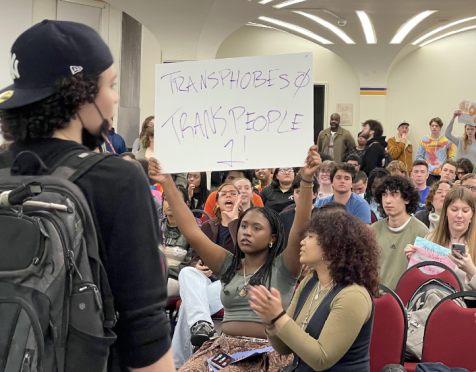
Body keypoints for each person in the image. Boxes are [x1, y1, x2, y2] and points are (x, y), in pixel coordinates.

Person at [0, 20, 174, 371]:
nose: (116, 97)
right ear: (81, 97)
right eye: (109, 84)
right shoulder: (117, 179)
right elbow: (144, 330)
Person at [150, 146, 320, 372]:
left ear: (272, 237)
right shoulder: (229, 264)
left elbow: (300, 228)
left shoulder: (284, 266)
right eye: (244, 227)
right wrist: (167, 183)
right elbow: (192, 230)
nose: (246, 232)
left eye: (256, 228)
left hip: (265, 353)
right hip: (222, 349)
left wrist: (307, 179)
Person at [250, 209, 380, 372]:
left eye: (310, 237)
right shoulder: (309, 283)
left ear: (333, 245)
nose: (303, 242)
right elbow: (284, 348)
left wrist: (279, 316)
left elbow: (321, 359)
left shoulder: (353, 295)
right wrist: (270, 321)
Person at [174, 183, 241, 366]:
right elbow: (195, 257)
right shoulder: (207, 227)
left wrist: (235, 221)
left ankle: (178, 363)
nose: (228, 196)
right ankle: (203, 324)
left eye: (233, 194)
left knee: (187, 306)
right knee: (188, 272)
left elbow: (246, 257)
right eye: (223, 194)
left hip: (234, 283)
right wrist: (198, 265)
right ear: (217, 202)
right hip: (206, 282)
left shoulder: (246, 225)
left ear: (239, 200)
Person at [407, 187, 476, 291]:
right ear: (446, 211)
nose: (459, 215)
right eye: (454, 210)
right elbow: (419, 282)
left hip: (468, 303)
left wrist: (471, 270)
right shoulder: (431, 237)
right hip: (435, 301)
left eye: (465, 210)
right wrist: (414, 261)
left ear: (472, 214)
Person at [373, 176, 429, 290]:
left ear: (407, 199)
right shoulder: (372, 230)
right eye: (384, 195)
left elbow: (426, 274)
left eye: (394, 195)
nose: (388, 200)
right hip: (375, 297)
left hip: (407, 301)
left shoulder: (422, 232)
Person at [279, 175, 320, 246]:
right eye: (298, 192)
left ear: (315, 195)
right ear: (293, 194)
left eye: (306, 192)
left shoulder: (322, 216)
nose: (301, 196)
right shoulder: (283, 216)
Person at [416, 117, 457, 186]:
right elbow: (419, 157)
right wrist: (426, 166)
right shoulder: (423, 140)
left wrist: (447, 168)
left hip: (443, 172)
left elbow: (452, 156)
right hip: (429, 172)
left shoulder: (447, 141)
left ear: (440, 128)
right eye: (432, 126)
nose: (434, 128)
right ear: (430, 127)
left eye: (436, 126)